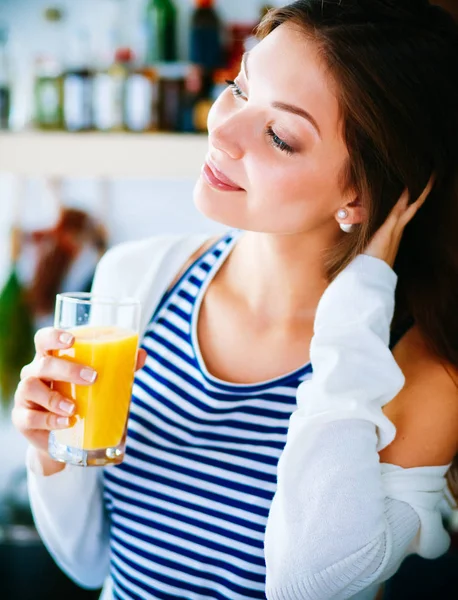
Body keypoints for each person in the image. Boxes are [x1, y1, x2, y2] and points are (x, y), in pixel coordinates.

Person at [12, 1, 458, 598]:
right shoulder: (137, 280)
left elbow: (306, 581)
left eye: (279, 134)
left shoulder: (416, 377)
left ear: (363, 191)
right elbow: (93, 566)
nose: (220, 129)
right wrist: (51, 452)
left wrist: (363, 295)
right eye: (239, 88)